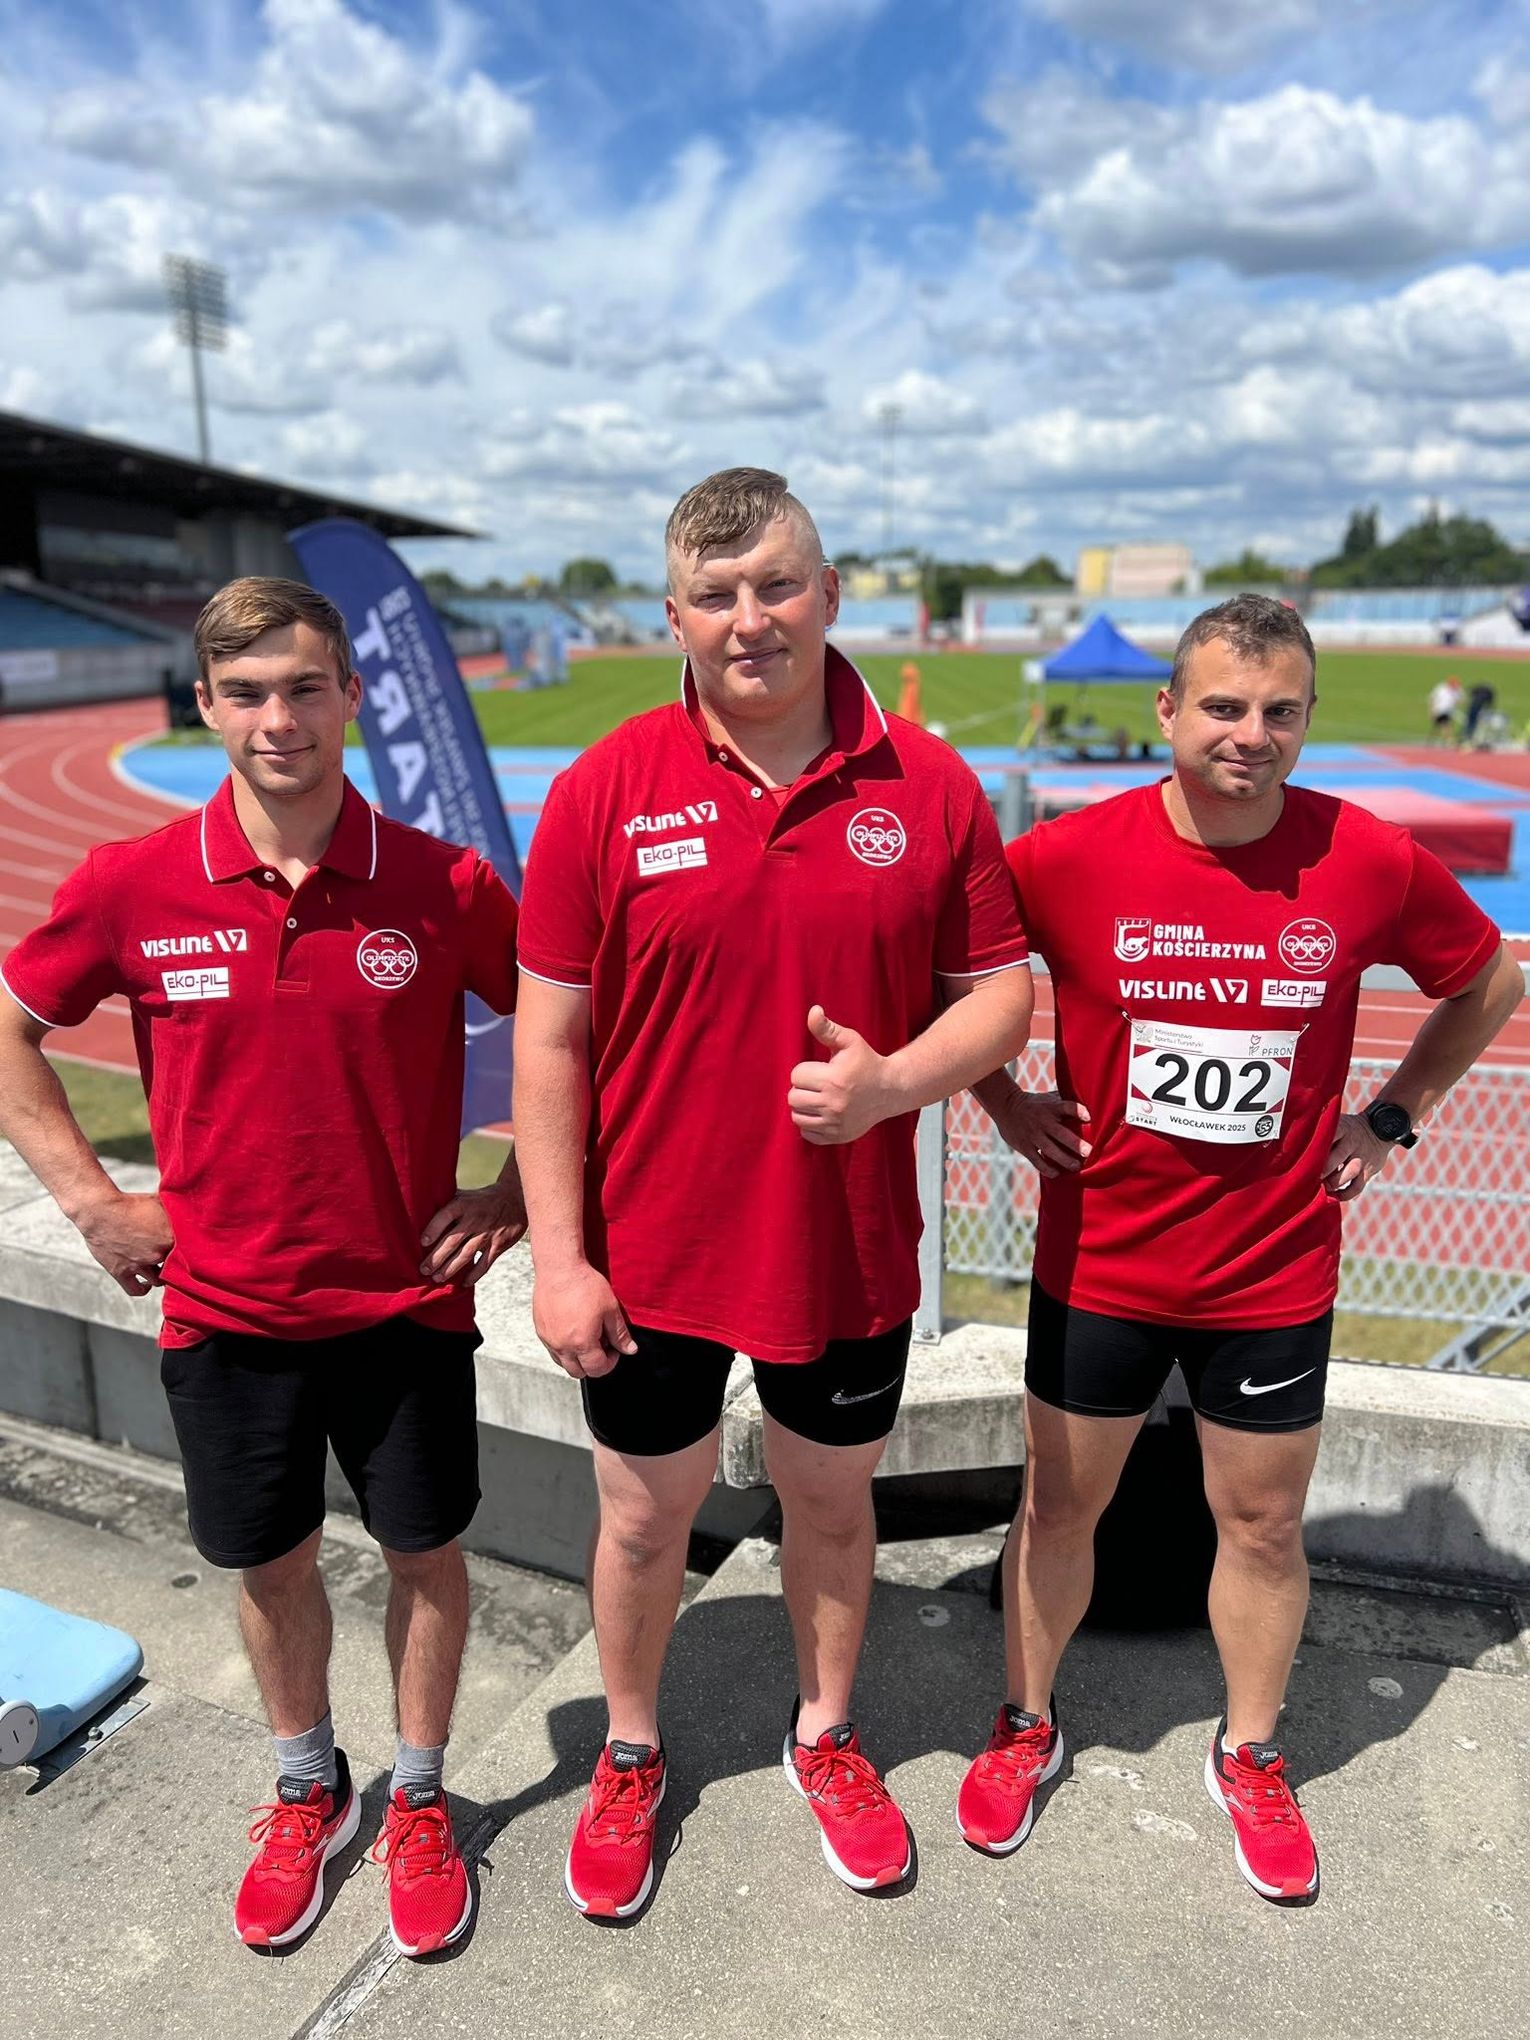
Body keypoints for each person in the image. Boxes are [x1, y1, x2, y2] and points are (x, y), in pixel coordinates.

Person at [513, 467, 1031, 1917]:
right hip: (650, 1252)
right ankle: (630, 1750)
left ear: (831, 593)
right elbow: (549, 1042)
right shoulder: (603, 787)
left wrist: (890, 1086)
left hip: (844, 1250)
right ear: (674, 615)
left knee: (830, 1507)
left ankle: (824, 1735)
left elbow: (1001, 997)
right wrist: (558, 1257)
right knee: (640, 1521)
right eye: (717, 594)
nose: (751, 618)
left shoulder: (929, 785)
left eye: (778, 584)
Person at [957, 593, 1523, 1902]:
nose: (1249, 734)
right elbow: (949, 973)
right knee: (1058, 1509)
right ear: (1167, 712)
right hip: (1099, 1264)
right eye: (1222, 706)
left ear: (1307, 721)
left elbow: (1487, 980)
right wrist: (1001, 1100)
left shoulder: (1366, 859)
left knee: (1262, 1526)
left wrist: (1391, 1114)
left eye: (1279, 712)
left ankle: (1250, 1752)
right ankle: (1027, 1724)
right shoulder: (1067, 857)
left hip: (1271, 1274)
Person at [0, 578, 524, 1957]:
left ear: (350, 695)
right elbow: (8, 1031)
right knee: (272, 1566)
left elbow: (573, 1029)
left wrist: (520, 1190)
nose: (276, 718)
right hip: (225, 1314)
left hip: (406, 1309)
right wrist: (92, 1203)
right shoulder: (130, 883)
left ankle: (422, 1797)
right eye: (244, 692)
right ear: (207, 706)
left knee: (426, 1557)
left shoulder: (443, 883)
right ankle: (311, 1787)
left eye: (303, 687)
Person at [1427, 673, 1462, 742]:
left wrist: (1457, 701)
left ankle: (1447, 739)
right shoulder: (1441, 688)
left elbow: (1460, 700)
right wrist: (1431, 710)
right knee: (1443, 725)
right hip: (1439, 710)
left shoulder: (1457, 690)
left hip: (1449, 711)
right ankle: (1447, 739)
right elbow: (1432, 699)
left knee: (1445, 725)